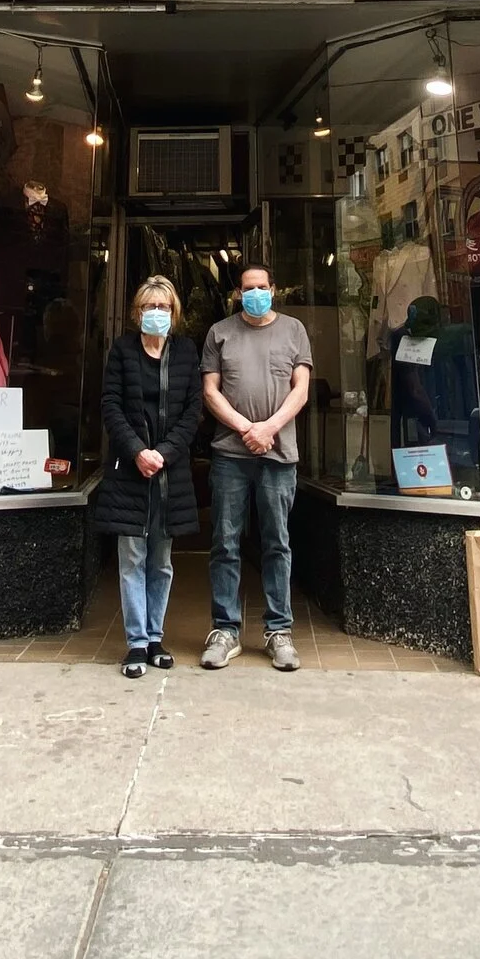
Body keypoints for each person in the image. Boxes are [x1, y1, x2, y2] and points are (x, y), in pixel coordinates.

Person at [201, 260, 313, 671]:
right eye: (247, 287)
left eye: (261, 286)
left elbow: (300, 390)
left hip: (279, 457)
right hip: (231, 455)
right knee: (225, 543)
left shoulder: (294, 331)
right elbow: (210, 392)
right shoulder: (220, 333)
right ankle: (225, 630)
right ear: (237, 293)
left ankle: (278, 631)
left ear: (274, 288)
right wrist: (248, 428)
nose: (254, 292)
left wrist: (270, 428)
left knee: (276, 543)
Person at [94, 275, 204, 679]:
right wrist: (138, 451)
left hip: (169, 473)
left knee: (161, 560)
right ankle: (136, 644)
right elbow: (110, 406)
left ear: (174, 313)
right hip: (131, 470)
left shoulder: (186, 352)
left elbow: (193, 410)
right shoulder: (122, 351)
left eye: (163, 308)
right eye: (148, 307)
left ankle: (156, 638)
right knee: (132, 558)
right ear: (136, 312)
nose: (155, 314)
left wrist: (164, 452)